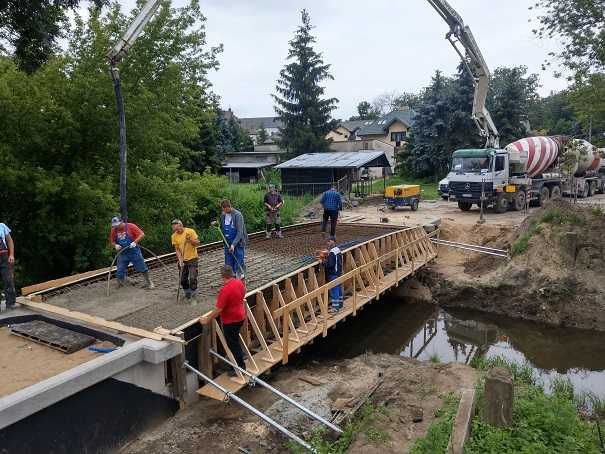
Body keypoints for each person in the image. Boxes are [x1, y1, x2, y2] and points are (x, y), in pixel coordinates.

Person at [199, 265, 247, 374]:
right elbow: (243, 293)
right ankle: (240, 357)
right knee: (234, 340)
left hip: (231, 321)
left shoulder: (225, 290)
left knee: (232, 344)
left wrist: (206, 319)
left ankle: (241, 368)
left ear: (222, 276)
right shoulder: (239, 283)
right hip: (241, 317)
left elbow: (218, 310)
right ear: (231, 274)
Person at [109, 217, 154, 289]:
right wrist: (115, 245)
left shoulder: (130, 226)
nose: (116, 226)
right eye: (115, 225)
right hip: (122, 253)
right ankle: (121, 284)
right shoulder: (114, 230)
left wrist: (134, 242)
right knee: (120, 270)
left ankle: (149, 283)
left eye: (118, 225)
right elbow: (112, 241)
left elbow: (142, 234)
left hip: (134, 251)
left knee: (142, 267)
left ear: (122, 222)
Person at [171, 219, 200, 301]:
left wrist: (190, 240)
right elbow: (177, 249)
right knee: (182, 279)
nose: (177, 231)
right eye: (175, 230)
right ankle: (187, 293)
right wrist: (180, 260)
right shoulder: (174, 236)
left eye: (177, 229)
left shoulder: (190, 231)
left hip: (193, 258)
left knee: (192, 278)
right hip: (183, 260)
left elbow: (197, 243)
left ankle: (194, 295)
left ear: (181, 225)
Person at [220, 200, 248, 280]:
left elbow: (240, 232)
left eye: (226, 210)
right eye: (223, 210)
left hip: (238, 242)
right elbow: (223, 228)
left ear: (229, 207)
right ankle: (231, 277)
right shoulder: (223, 215)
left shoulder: (238, 215)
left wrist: (233, 244)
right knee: (228, 261)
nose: (224, 212)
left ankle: (239, 277)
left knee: (238, 260)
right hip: (227, 242)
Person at [322, 236, 343, 313]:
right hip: (339, 272)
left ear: (332, 241)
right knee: (339, 288)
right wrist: (328, 255)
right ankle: (340, 304)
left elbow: (330, 265)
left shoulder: (332, 253)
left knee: (334, 290)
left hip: (333, 274)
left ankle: (335, 308)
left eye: (329, 241)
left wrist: (323, 262)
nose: (328, 243)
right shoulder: (337, 250)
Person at [0, 222, 16, 312]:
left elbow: (9, 241)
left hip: (4, 257)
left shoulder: (1, 226)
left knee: (8, 280)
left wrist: (11, 255)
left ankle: (10, 304)